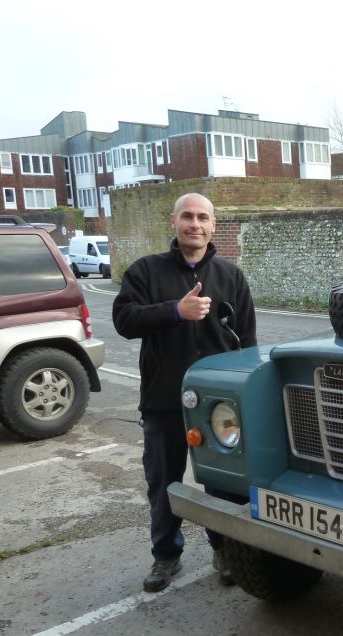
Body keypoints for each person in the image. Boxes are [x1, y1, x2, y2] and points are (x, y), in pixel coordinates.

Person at [113, 193, 257, 592]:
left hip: (219, 406)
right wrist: (175, 312)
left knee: (223, 483)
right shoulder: (145, 271)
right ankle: (166, 556)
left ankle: (224, 549)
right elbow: (124, 319)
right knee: (163, 480)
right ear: (174, 222)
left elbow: (248, 342)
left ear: (213, 226)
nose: (195, 224)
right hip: (164, 398)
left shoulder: (231, 276)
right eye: (187, 217)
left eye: (203, 218)